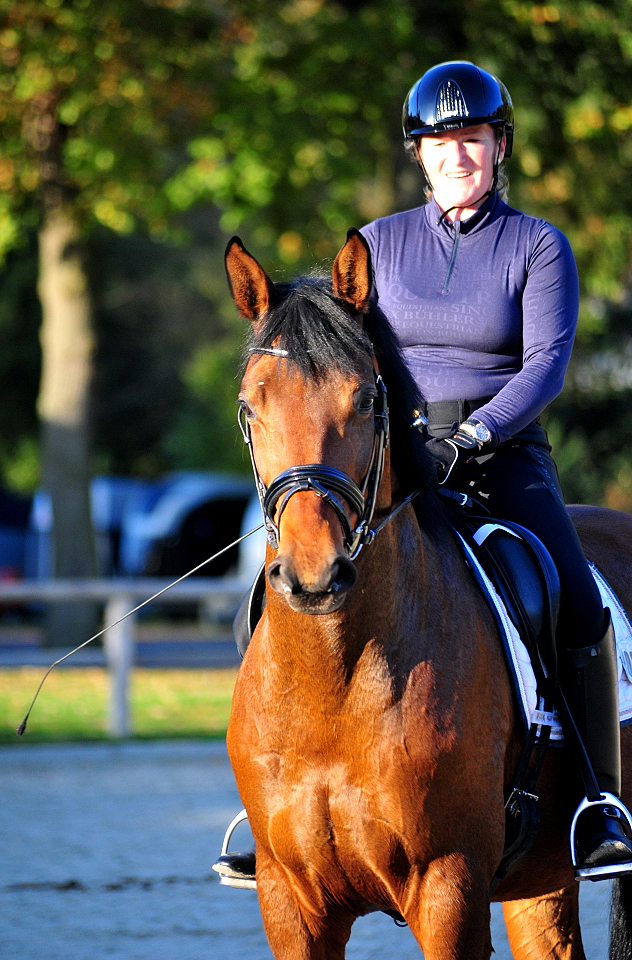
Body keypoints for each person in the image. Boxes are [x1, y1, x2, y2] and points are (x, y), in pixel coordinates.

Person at [214, 60, 632, 886]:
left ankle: (598, 802)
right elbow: (333, 353)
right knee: (262, 605)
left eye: (472, 140)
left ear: (499, 146)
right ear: (419, 153)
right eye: (441, 143)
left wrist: (474, 435)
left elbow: (545, 367)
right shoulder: (376, 246)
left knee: (577, 604)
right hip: (395, 458)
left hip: (505, 458)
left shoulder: (537, 245)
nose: (457, 156)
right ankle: (272, 810)